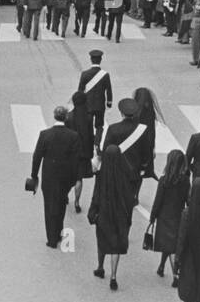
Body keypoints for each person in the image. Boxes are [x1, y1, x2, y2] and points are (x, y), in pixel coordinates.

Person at [29, 105, 82, 250]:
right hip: (65, 177)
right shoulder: (73, 136)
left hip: (49, 176)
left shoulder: (45, 134)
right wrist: (75, 178)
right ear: (65, 117)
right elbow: (76, 159)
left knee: (49, 206)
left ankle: (51, 238)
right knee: (60, 205)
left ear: (54, 116)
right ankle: (58, 232)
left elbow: (37, 156)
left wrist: (34, 175)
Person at [86, 144, 137, 290]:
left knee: (102, 241)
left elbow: (96, 195)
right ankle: (114, 276)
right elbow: (130, 197)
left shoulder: (101, 175)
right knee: (116, 245)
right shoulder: (125, 174)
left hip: (104, 213)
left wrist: (92, 211)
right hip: (120, 214)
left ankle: (100, 267)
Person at [148, 149, 190, 280]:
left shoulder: (164, 180)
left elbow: (158, 200)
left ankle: (175, 275)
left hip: (164, 216)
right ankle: (161, 266)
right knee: (172, 243)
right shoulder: (185, 180)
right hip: (178, 215)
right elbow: (188, 200)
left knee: (169, 245)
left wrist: (153, 216)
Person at [65, 90, 95, 215]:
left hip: (71, 152)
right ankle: (77, 202)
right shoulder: (89, 117)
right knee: (79, 178)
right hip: (83, 152)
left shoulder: (69, 117)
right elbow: (90, 135)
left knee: (67, 177)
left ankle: (65, 196)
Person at [77, 50, 112, 144]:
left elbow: (80, 90)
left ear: (91, 60)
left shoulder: (84, 74)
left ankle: (89, 141)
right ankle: (97, 142)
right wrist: (109, 102)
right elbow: (109, 89)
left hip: (87, 105)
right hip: (100, 105)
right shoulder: (105, 75)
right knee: (99, 125)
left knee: (88, 124)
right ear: (100, 60)